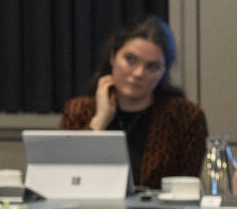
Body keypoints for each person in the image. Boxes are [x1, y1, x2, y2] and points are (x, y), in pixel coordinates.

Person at [57, 17, 207, 189]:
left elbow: (187, 189)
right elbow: (61, 176)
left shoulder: (185, 117)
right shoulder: (78, 110)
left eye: (152, 67)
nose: (138, 73)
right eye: (130, 59)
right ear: (113, 58)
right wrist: (99, 121)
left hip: (158, 207)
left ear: (163, 72)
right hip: (87, 205)